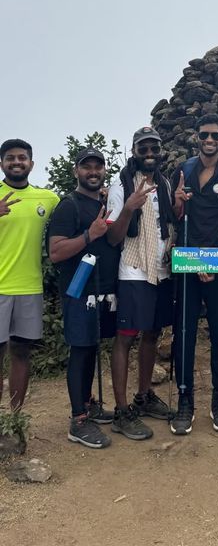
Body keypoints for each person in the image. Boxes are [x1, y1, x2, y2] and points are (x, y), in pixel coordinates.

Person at [170, 113, 218, 435]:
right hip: (186, 262)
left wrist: (212, 262)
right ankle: (185, 399)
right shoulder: (184, 170)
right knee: (183, 333)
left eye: (215, 135)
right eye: (204, 135)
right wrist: (177, 201)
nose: (209, 140)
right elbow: (175, 217)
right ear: (196, 137)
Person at [107, 127, 175, 440]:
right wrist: (129, 208)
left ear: (160, 151)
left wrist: (181, 205)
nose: (149, 153)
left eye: (154, 148)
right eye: (143, 148)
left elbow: (168, 224)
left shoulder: (165, 183)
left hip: (161, 269)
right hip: (134, 269)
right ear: (134, 151)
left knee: (152, 333)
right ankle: (122, 411)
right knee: (125, 338)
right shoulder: (121, 185)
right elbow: (113, 237)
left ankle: (144, 396)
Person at [49, 148, 120, 449]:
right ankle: (78, 420)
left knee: (91, 346)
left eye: (98, 167)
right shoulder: (69, 206)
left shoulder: (105, 203)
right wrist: (89, 235)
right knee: (80, 349)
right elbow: (55, 252)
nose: (93, 172)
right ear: (76, 171)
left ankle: (88, 403)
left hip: (103, 288)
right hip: (78, 289)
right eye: (86, 167)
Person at [0, 139, 59, 412]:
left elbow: (75, 210)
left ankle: (14, 419)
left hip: (29, 288)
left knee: (21, 353)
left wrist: (104, 195)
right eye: (10, 158)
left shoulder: (47, 199)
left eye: (21, 158)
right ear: (2, 163)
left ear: (31, 164)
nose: (16, 162)